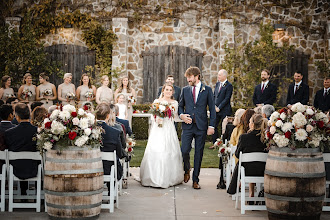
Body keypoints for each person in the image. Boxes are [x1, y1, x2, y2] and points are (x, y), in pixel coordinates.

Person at [140, 83, 184, 188]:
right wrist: (157, 118)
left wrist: (184, 119)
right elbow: (152, 116)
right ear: (163, 91)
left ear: (173, 92)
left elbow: (176, 117)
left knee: (169, 151)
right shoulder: (157, 102)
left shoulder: (175, 103)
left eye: (170, 90)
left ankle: (169, 178)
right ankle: (153, 176)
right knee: (157, 150)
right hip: (158, 129)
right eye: (166, 89)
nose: (168, 92)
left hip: (169, 129)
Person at [179, 66, 216, 189]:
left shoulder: (207, 90)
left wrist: (211, 125)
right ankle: (186, 169)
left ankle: (195, 180)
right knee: (184, 150)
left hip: (201, 126)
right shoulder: (185, 90)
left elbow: (212, 108)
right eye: (187, 78)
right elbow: (180, 106)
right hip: (188, 126)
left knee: (199, 153)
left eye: (190, 77)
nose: (188, 80)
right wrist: (182, 115)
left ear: (196, 76)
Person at [227, 114, 268, 196]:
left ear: (252, 124)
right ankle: (253, 193)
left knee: (242, 164)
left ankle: (236, 189)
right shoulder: (266, 139)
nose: (249, 124)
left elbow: (238, 155)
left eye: (249, 122)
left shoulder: (244, 137)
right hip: (263, 171)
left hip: (246, 171)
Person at [5, 103, 38, 196]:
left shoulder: (9, 133)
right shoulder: (37, 131)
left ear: (17, 117)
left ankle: (23, 193)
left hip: (15, 169)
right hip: (33, 168)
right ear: (29, 115)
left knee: (20, 159)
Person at [95, 103, 124, 194]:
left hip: (92, 167)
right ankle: (111, 192)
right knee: (115, 163)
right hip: (108, 169)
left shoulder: (87, 130)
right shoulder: (114, 132)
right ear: (108, 116)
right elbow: (119, 152)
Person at [216, 109, 245, 189]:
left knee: (223, 152)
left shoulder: (236, 130)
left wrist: (223, 127)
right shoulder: (246, 130)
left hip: (237, 157)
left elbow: (231, 144)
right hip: (245, 159)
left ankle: (224, 179)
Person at [212, 69, 233, 145]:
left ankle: (224, 143)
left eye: (220, 75)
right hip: (216, 109)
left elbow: (227, 98)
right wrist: (213, 106)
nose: (218, 76)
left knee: (224, 127)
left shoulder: (229, 86)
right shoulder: (217, 84)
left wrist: (219, 107)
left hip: (225, 110)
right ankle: (215, 143)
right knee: (214, 125)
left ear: (224, 76)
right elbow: (214, 96)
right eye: (218, 75)